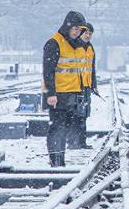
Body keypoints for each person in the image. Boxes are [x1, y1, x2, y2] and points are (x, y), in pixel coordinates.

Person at [42, 11, 88, 167]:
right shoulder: (54, 43)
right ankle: (56, 161)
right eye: (75, 29)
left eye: (80, 30)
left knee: (65, 129)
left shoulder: (75, 45)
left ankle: (60, 160)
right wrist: (50, 93)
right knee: (57, 129)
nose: (77, 32)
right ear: (67, 26)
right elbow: (48, 70)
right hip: (58, 95)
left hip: (71, 95)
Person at [67, 23, 99, 149]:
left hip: (86, 86)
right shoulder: (74, 45)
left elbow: (92, 68)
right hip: (74, 86)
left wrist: (93, 84)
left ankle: (81, 142)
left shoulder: (90, 48)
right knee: (74, 114)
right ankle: (72, 142)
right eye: (86, 33)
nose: (88, 35)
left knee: (84, 115)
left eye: (90, 33)